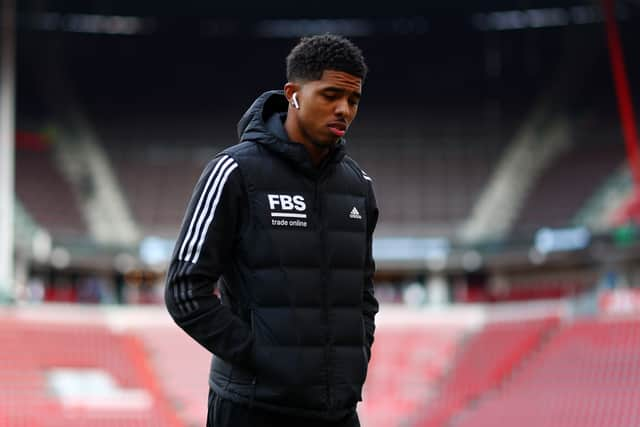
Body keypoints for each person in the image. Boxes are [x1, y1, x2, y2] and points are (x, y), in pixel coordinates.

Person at [165, 34, 379, 427]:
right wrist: (261, 355)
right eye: (330, 95)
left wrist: (356, 354)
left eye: (353, 100)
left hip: (339, 412)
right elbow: (184, 291)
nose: (344, 110)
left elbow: (362, 295)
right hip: (252, 410)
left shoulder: (359, 186)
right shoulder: (233, 172)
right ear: (293, 94)